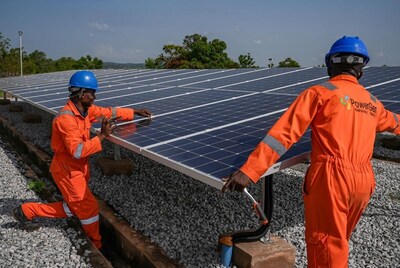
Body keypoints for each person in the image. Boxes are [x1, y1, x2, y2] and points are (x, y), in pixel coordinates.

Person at [221, 36, 400, 267]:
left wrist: (250, 170)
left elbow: (283, 135)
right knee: (339, 240)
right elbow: (395, 122)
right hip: (364, 182)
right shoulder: (372, 102)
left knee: (325, 244)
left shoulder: (320, 93)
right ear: (362, 70)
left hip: (332, 179)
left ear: (329, 65)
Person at [11, 70, 152, 252]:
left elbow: (108, 112)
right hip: (68, 171)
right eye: (91, 93)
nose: (94, 97)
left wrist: (133, 112)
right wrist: (102, 135)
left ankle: (26, 211)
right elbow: (78, 151)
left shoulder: (85, 111)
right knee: (89, 209)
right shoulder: (66, 120)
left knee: (73, 207)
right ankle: (95, 244)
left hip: (77, 169)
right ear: (80, 93)